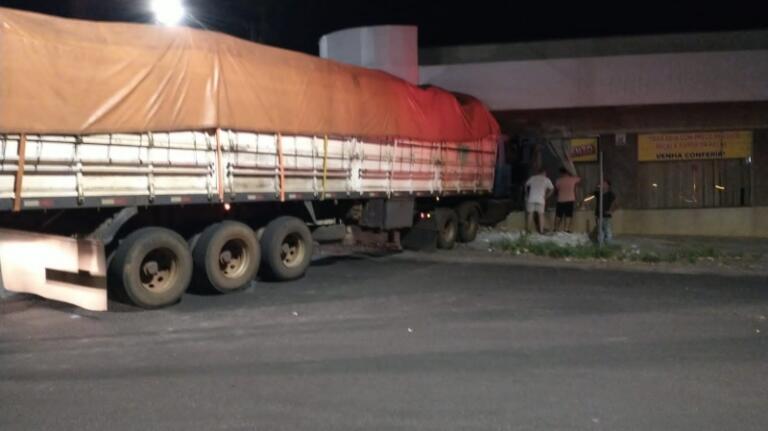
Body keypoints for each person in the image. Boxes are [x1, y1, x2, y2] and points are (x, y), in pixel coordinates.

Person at [525, 168, 554, 234]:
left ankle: (528, 230)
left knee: (530, 214)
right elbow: (552, 189)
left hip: (531, 198)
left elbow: (526, 185)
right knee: (541, 215)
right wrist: (546, 196)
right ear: (544, 173)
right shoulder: (546, 179)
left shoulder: (532, 178)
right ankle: (541, 231)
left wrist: (527, 194)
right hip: (541, 199)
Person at [554, 167, 581, 233]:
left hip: (560, 199)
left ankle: (555, 229)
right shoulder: (573, 179)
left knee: (558, 215)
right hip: (570, 199)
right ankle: (566, 229)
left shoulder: (558, 180)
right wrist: (572, 172)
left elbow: (556, 190)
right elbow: (579, 179)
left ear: (561, 173)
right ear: (567, 173)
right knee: (568, 215)